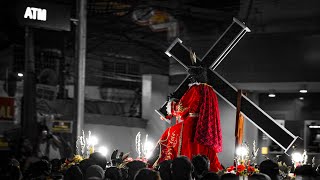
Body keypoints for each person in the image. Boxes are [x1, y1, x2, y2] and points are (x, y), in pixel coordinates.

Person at [150, 53, 223, 172]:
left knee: (169, 133)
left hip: (191, 124)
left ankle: (161, 164)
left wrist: (171, 103)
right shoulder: (210, 91)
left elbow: (183, 108)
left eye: (191, 77)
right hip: (205, 127)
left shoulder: (195, 89)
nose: (190, 79)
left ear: (195, 78)